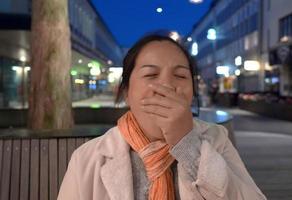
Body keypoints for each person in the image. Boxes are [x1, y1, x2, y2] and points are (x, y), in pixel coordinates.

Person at [58, 35, 266, 200]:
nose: (166, 85)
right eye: (150, 75)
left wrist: (188, 144)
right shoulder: (87, 158)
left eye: (181, 76)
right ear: (126, 92)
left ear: (192, 92)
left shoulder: (216, 139)